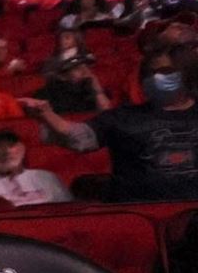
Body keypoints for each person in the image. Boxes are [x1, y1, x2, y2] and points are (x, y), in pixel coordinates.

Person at [41, 50, 198, 201]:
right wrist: (47, 115)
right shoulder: (123, 117)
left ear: (188, 74)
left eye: (165, 71)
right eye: (149, 73)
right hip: (137, 212)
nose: (155, 78)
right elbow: (80, 139)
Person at [0, 131, 70, 207]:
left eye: (11, 145)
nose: (7, 151)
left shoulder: (47, 177)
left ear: (23, 149)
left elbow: (66, 209)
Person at [35, 52, 108, 114]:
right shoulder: (46, 95)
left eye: (86, 67)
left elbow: (107, 113)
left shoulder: (90, 87)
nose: (86, 71)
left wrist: (97, 89)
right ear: (62, 76)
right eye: (77, 68)